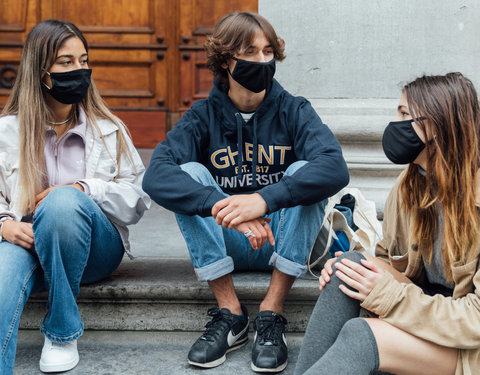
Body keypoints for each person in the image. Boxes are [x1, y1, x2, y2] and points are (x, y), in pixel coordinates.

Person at [143, 11, 349, 373]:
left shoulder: (294, 109)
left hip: (281, 237)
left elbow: (334, 167)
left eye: (268, 51)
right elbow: (156, 176)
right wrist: (224, 207)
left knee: (307, 171)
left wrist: (263, 200)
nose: (263, 61)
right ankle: (231, 314)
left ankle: (271, 312)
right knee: (188, 174)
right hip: (228, 238)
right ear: (226, 61)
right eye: (250, 52)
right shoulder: (202, 115)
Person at [294, 72, 480, 375]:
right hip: (424, 313)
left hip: (467, 345)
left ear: (438, 124)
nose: (394, 122)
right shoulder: (407, 188)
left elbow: (476, 321)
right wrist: (358, 268)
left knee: (361, 335)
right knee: (349, 267)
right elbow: (386, 261)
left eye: (405, 113)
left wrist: (388, 295)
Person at [0, 20, 150, 374]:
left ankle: (62, 331)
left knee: (62, 202)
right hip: (27, 242)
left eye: (83, 61)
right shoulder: (6, 131)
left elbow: (138, 200)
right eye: (66, 62)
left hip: (95, 250)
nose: (79, 70)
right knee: (3, 277)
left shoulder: (109, 128)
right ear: (40, 70)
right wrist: (4, 225)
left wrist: (84, 188)